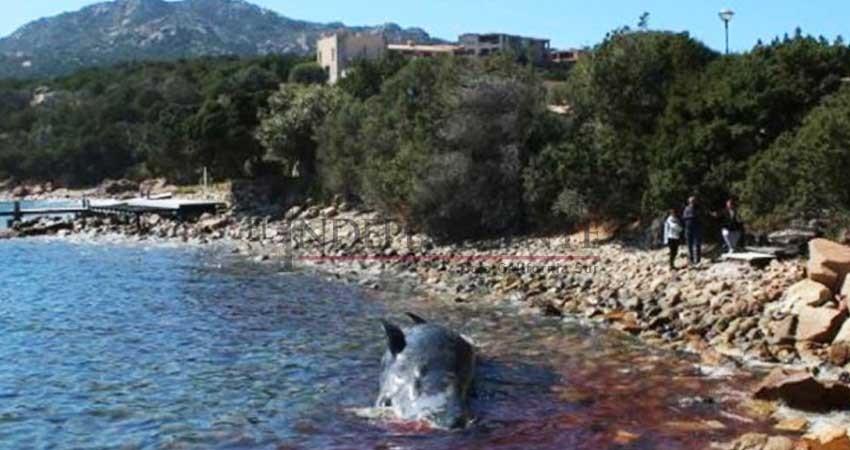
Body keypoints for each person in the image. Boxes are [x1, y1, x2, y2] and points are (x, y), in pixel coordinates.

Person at [682, 196, 702, 265]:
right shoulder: (686, 208)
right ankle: (691, 259)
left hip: (696, 228)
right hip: (688, 228)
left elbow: (701, 216)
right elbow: (684, 217)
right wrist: (691, 216)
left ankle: (698, 260)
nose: (692, 202)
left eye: (694, 201)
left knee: (697, 244)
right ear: (689, 202)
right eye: (691, 201)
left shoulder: (698, 208)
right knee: (689, 245)